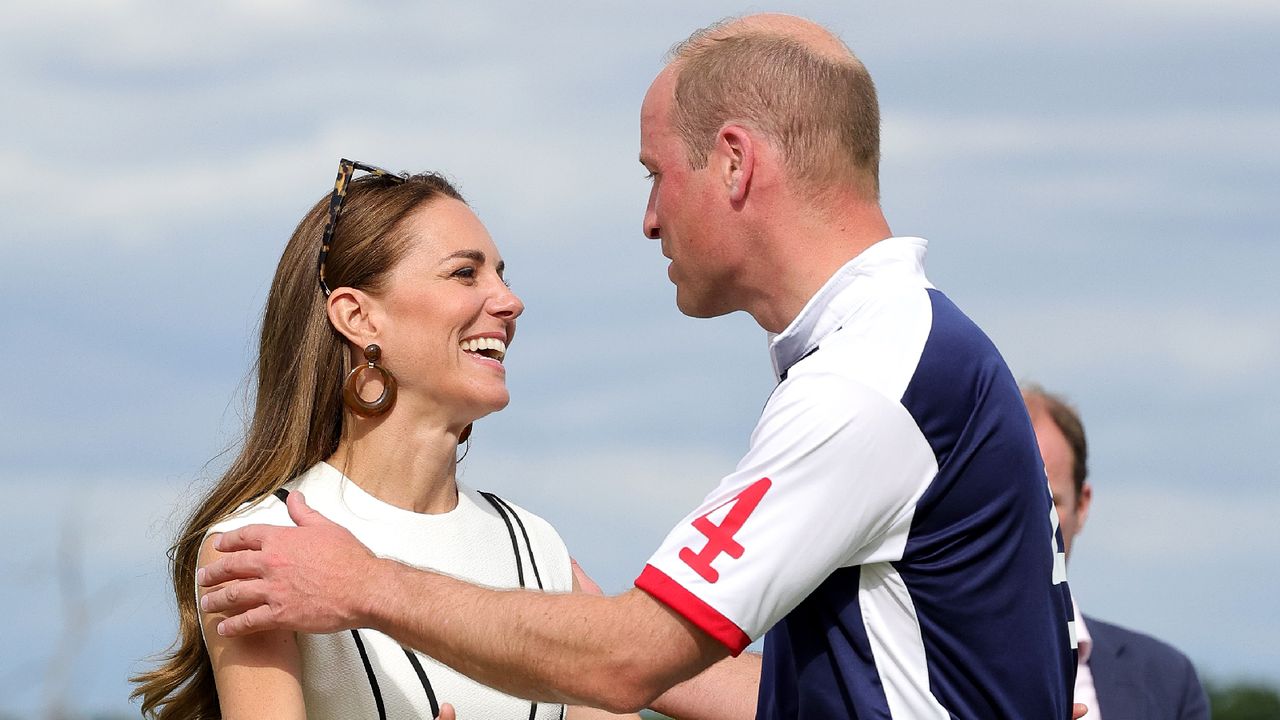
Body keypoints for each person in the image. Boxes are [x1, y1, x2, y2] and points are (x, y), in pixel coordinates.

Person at [198, 14, 1080, 718]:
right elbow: (764, 686)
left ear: (734, 163)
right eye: (465, 272)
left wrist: (364, 583)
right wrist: (557, 605)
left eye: (657, 173)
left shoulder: (865, 384)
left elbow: (627, 658)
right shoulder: (903, 355)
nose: (650, 218)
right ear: (355, 318)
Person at [130, 160, 647, 719]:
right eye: (465, 274)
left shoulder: (535, 546)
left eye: (501, 274)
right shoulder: (261, 546)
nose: (509, 301)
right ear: (358, 316)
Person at [1024, 385, 1210, 719]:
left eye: (1049, 503)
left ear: (1083, 505)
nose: (1025, 525)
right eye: (1001, 505)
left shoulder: (1167, 682)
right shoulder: (914, 668)